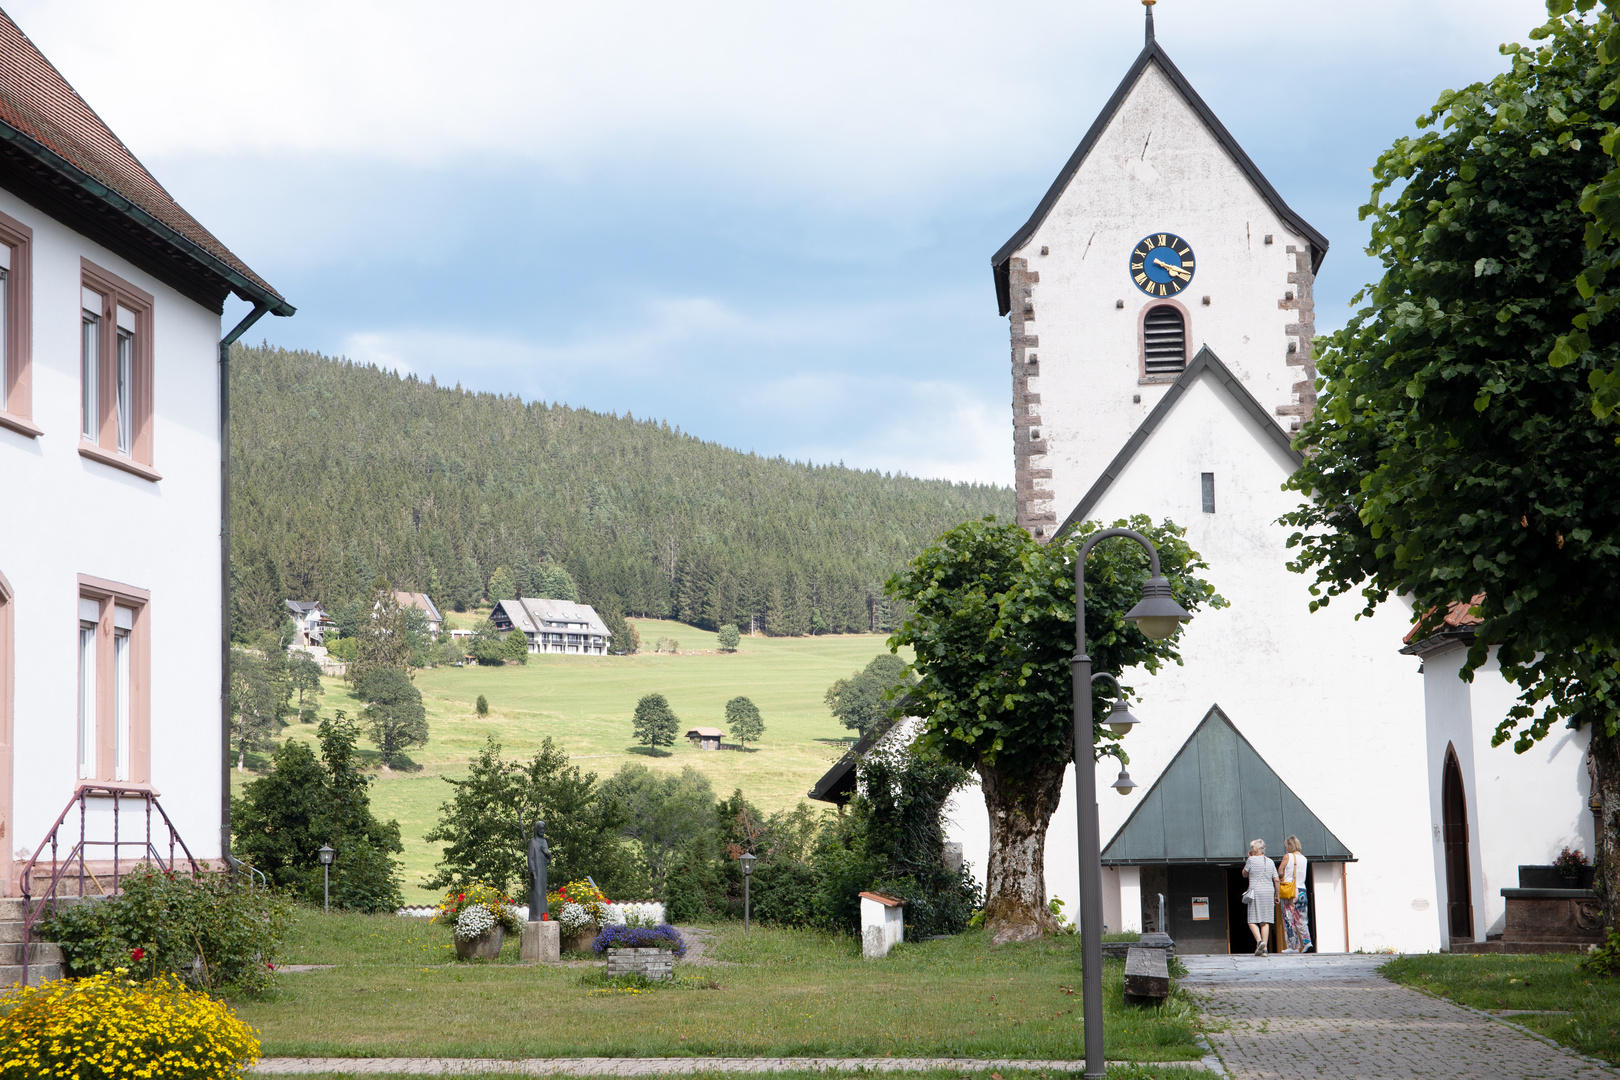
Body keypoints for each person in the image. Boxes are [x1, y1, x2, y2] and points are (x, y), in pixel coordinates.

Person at [1242, 838, 1278, 956]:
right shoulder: (1270, 861)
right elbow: (1276, 880)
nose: (1251, 850)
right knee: (1265, 921)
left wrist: (1248, 860)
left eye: (1252, 848)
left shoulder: (1251, 860)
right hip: (1269, 892)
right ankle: (1265, 949)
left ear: (1256, 849)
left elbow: (1244, 874)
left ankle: (1259, 941)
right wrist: (1277, 895)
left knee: (1251, 920)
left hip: (1256, 892)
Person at [1279, 835, 1313, 953]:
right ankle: (1307, 942)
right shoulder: (1304, 858)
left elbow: (1279, 870)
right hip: (1302, 890)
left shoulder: (1288, 857)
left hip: (1290, 891)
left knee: (1289, 918)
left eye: (1286, 846)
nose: (1286, 849)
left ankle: (1293, 946)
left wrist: (1282, 877)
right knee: (1302, 918)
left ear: (1290, 845)